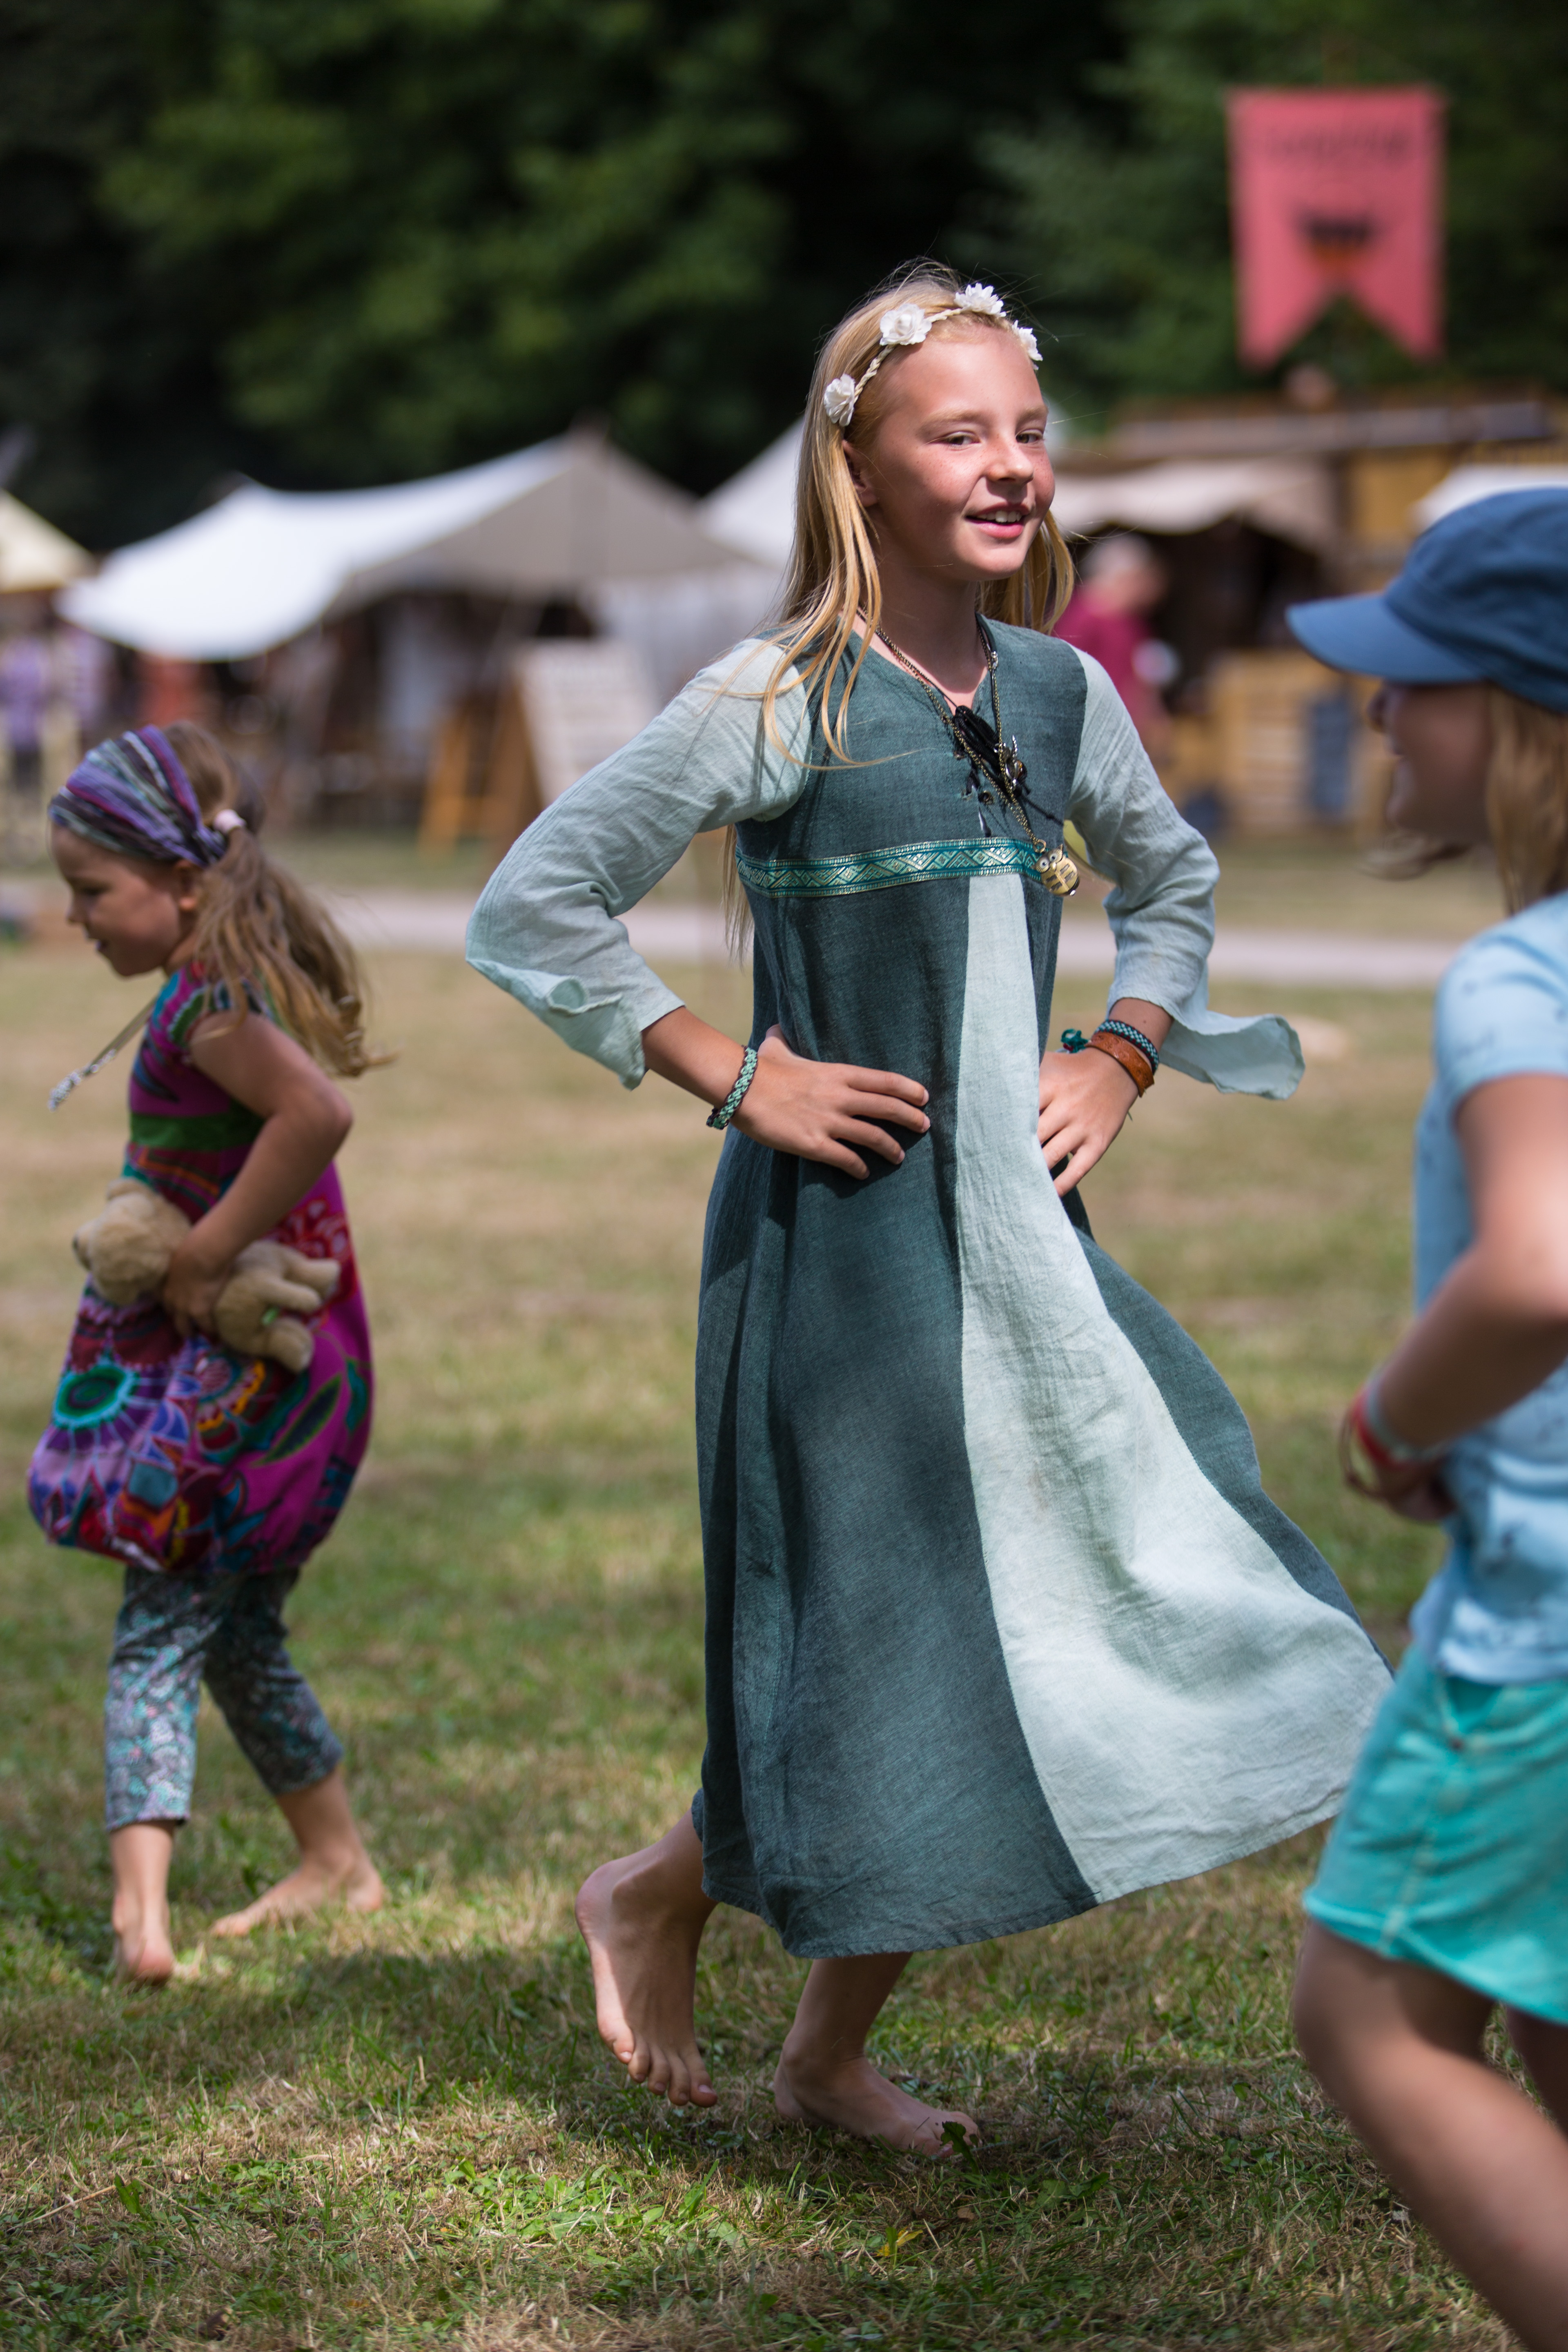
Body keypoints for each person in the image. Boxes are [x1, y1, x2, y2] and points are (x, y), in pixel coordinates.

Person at [468, 266, 1390, 2152]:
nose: (1010, 466)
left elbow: (1172, 880)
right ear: (861, 468)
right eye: (958, 434)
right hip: (848, 1257)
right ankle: (687, 1921)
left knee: (1120, 1560)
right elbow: (533, 903)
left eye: (1028, 432)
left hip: (1020, 1244)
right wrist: (734, 1070)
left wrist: (1123, 1051)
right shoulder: (778, 698)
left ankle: (771, 2001)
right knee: (888, 1627)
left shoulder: (1061, 690)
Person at [1287, 490, 1568, 2352]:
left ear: (1530, 721)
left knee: (1374, 2006)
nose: (1379, 713)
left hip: (1541, 1629)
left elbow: (1540, 1267)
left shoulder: (1524, 977)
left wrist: (1394, 1421)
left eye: (1422, 682)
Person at [31, 724, 383, 1983]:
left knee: (157, 1620)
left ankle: (140, 1920)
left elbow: (317, 1115)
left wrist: (201, 1255)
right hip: (292, 1368)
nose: (73, 918)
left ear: (182, 884)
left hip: (246, 1372)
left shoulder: (207, 1007)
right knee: (234, 1634)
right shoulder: (215, 990)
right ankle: (336, 1861)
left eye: (90, 892)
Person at [1052, 533, 1172, 755]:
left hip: (1124, 736)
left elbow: (1140, 681)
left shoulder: (1132, 622)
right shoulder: (1084, 617)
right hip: (1092, 736)